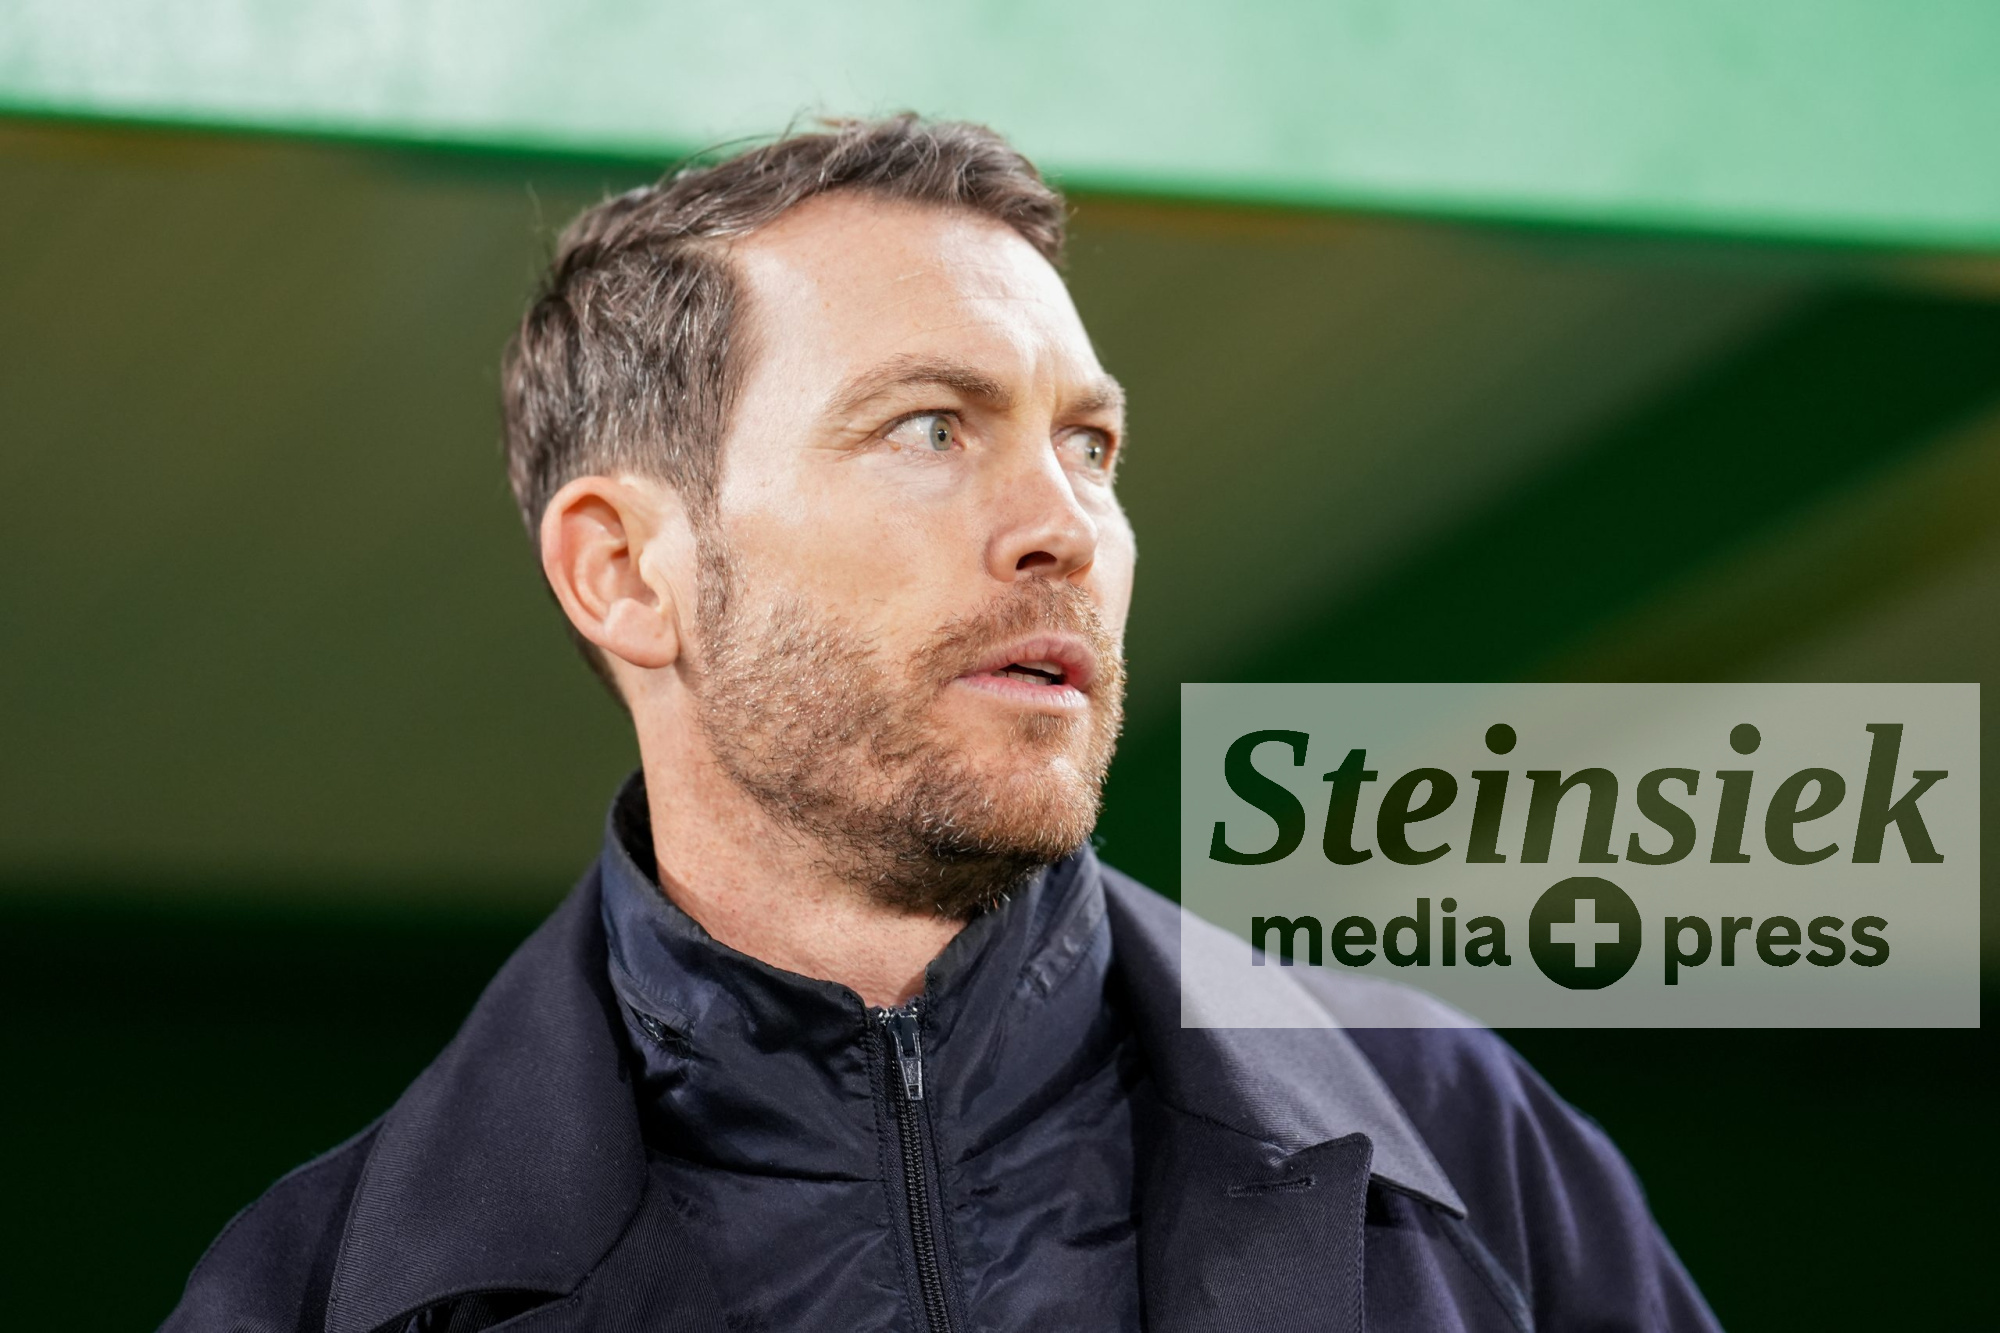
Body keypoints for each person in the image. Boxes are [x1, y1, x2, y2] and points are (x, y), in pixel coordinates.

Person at [165, 115, 1718, 1333]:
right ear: (627, 570)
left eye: (1090, 444)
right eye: (930, 427)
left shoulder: (1462, 1156)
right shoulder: (322, 1293)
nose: (1066, 528)